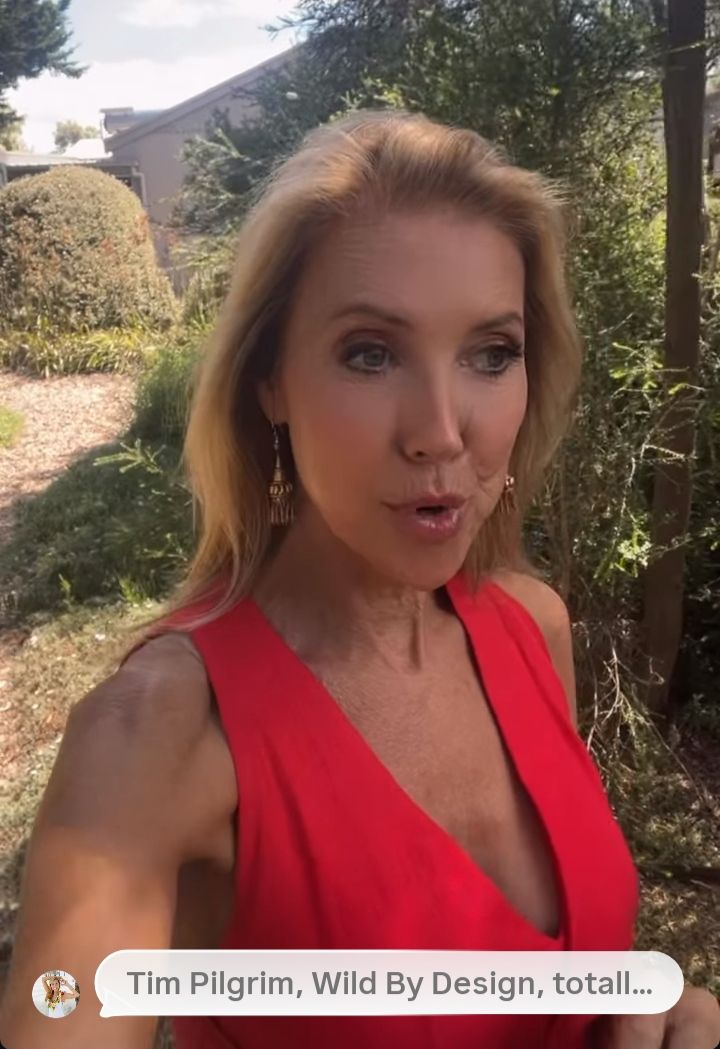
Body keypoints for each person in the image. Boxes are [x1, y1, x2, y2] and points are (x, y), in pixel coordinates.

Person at [0, 110, 718, 1049]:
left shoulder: (530, 627)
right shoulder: (155, 738)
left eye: (491, 353)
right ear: (270, 380)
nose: (441, 431)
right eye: (370, 353)